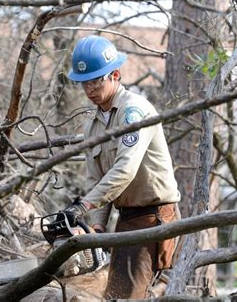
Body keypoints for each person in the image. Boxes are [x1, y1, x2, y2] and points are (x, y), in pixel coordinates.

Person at [62, 35, 181, 300]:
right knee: (114, 294)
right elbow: (97, 180)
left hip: (152, 217)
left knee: (126, 296)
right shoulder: (92, 125)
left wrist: (83, 207)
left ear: (115, 75)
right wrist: (97, 227)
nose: (90, 88)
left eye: (96, 80)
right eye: (84, 83)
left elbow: (125, 170)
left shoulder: (134, 112)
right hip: (127, 218)